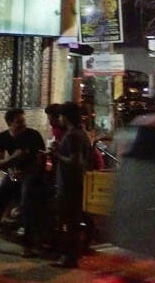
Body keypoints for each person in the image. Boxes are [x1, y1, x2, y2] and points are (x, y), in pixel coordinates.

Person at [0, 108, 45, 257]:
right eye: (19, 122)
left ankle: (27, 246)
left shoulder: (33, 135)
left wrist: (26, 172)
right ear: (10, 123)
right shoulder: (2, 138)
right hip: (13, 174)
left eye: (23, 121)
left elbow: (40, 161)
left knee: (26, 203)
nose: (23, 124)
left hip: (30, 174)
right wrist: (13, 161)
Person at [51, 102, 89, 269]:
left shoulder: (74, 135)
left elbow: (76, 161)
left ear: (66, 117)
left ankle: (69, 257)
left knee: (69, 222)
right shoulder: (79, 133)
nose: (59, 118)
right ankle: (70, 256)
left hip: (70, 185)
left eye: (60, 115)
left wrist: (57, 155)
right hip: (73, 184)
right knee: (72, 221)